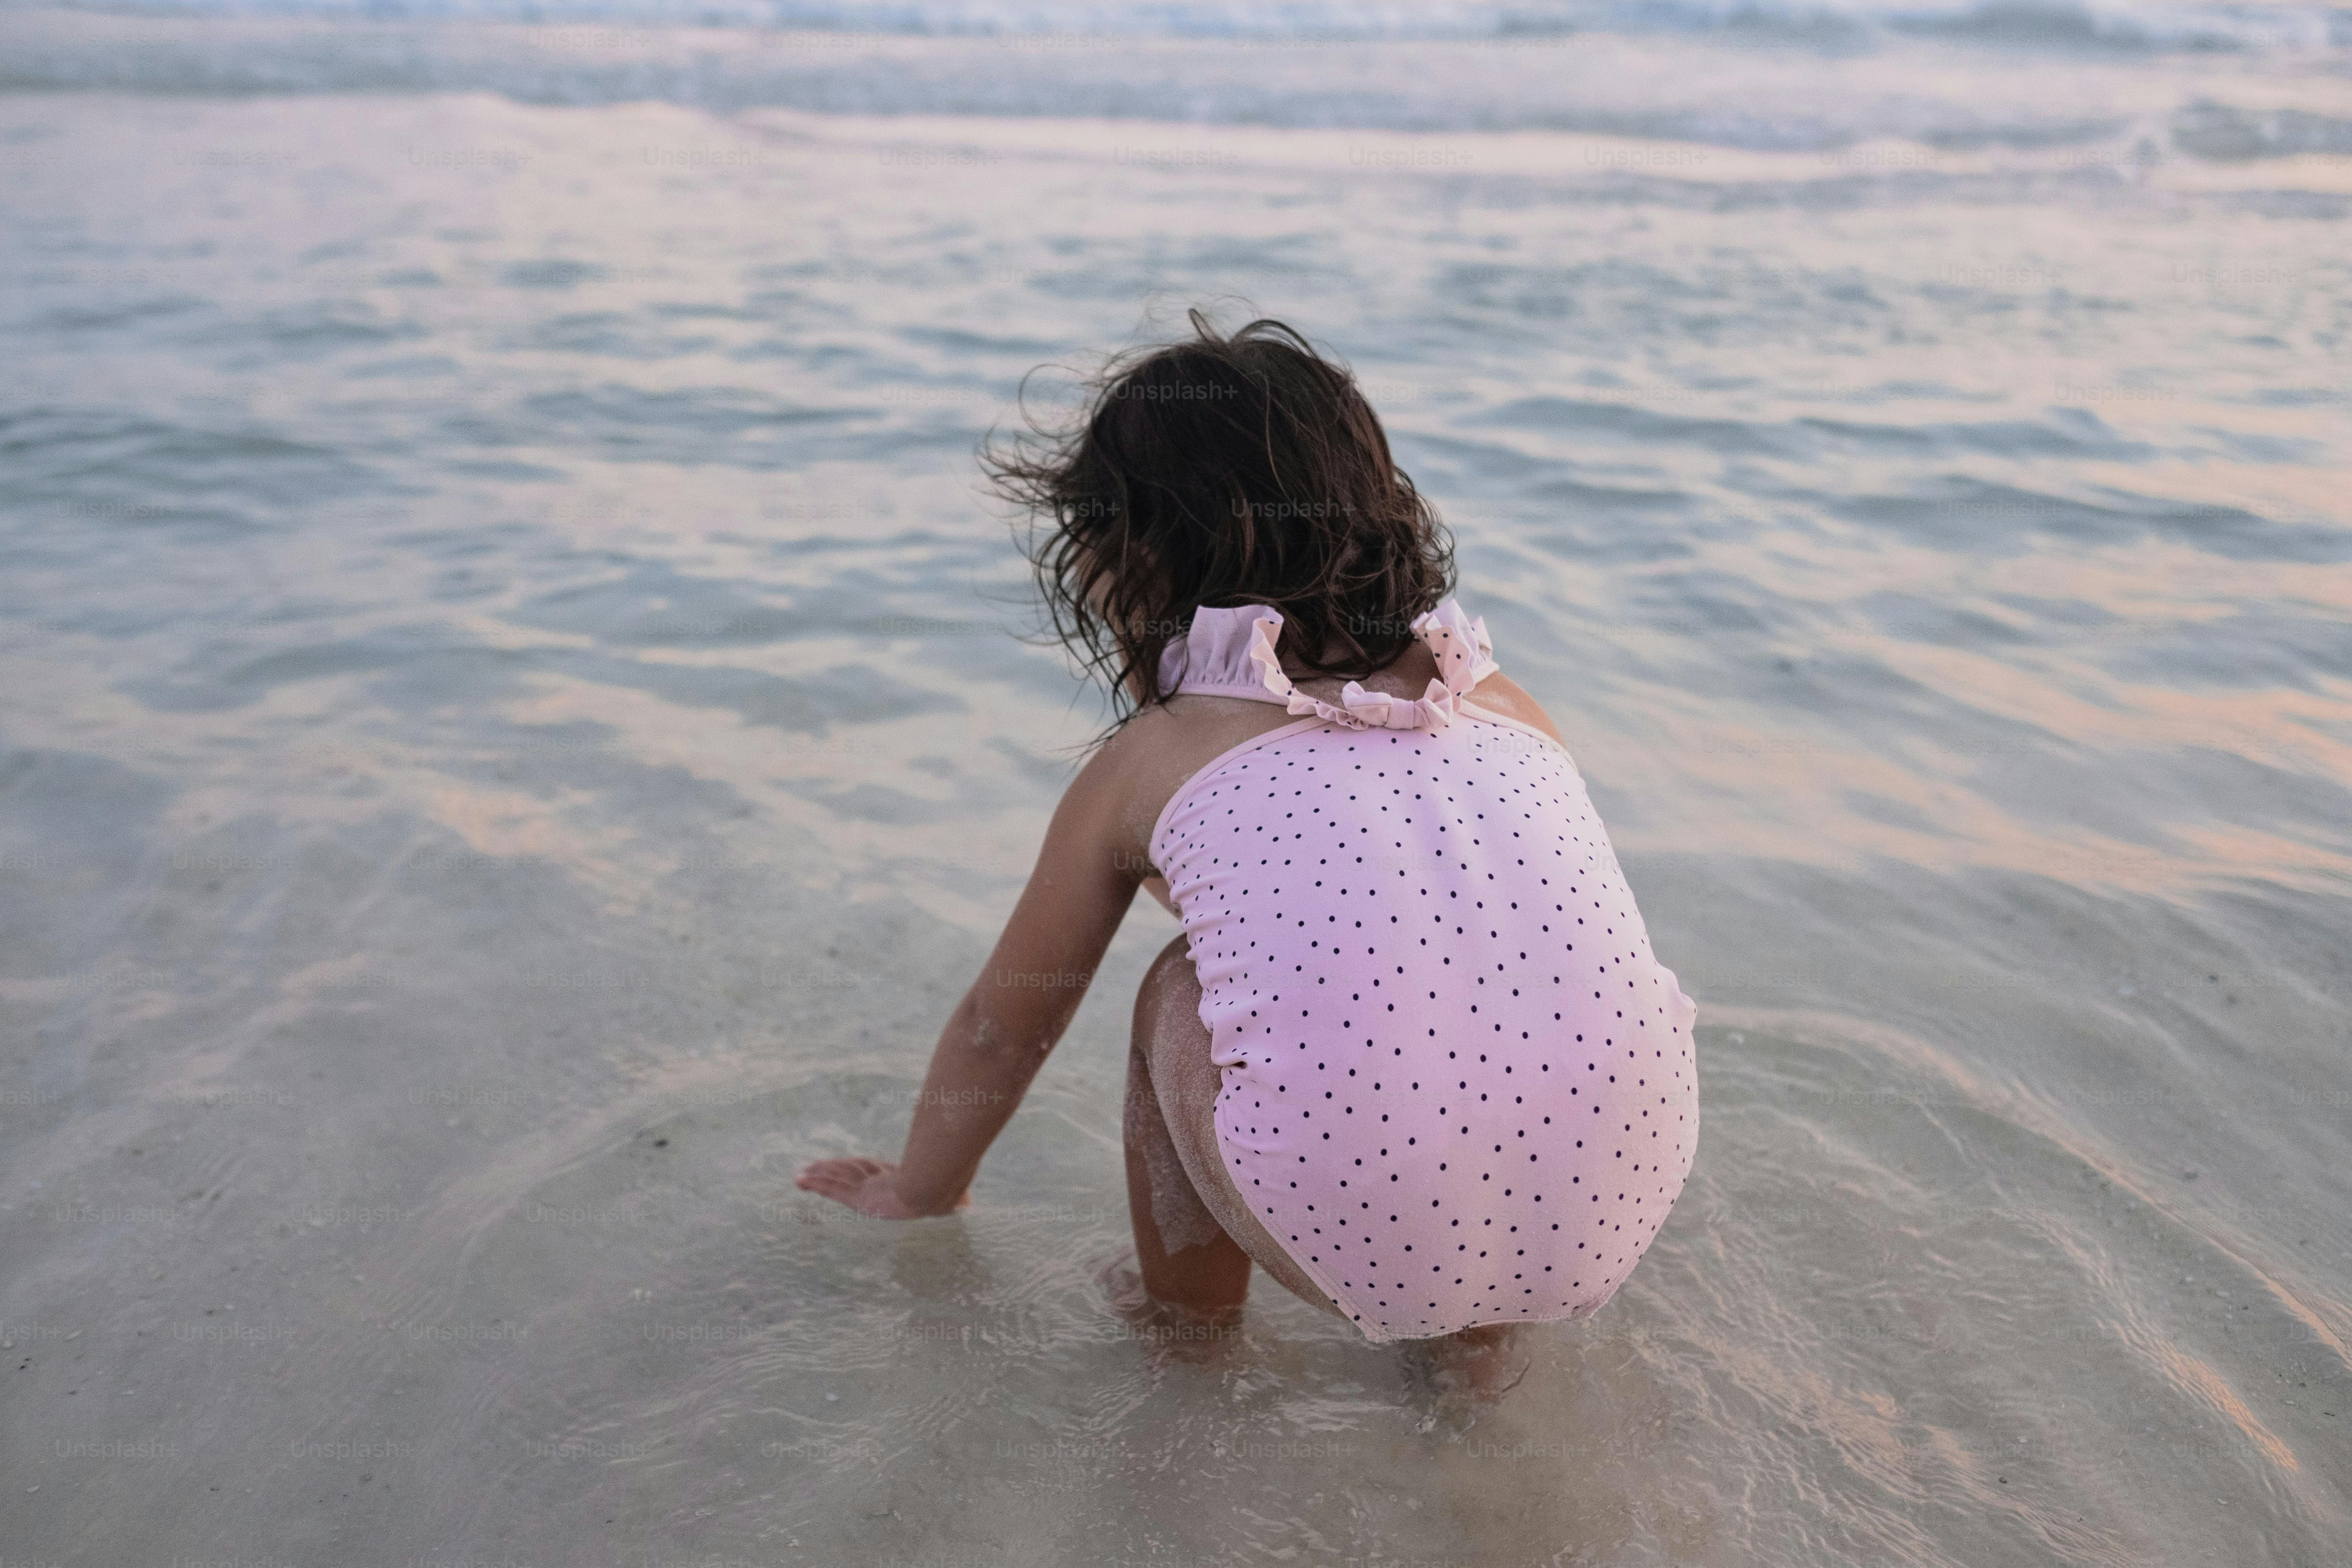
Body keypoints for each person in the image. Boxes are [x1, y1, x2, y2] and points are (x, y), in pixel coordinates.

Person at [798, 310, 1697, 1382]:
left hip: (1367, 1235)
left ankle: (1190, 1333)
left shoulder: (1157, 757)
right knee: (1478, 983)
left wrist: (919, 1191)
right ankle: (1474, 1358)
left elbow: (1004, 1024)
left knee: (1176, 989)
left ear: (1124, 559)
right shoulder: (1502, 699)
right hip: (1616, 1201)